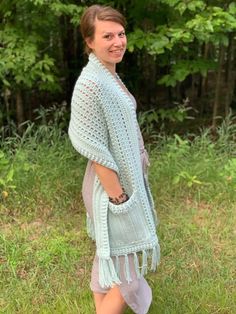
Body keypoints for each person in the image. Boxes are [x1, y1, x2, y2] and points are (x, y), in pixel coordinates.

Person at [68, 4, 160, 314]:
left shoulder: (108, 75)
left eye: (121, 34)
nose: (118, 41)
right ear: (89, 41)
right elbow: (95, 150)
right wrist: (119, 198)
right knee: (128, 278)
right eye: (107, 35)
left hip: (119, 184)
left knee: (108, 258)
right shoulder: (91, 84)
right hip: (109, 188)